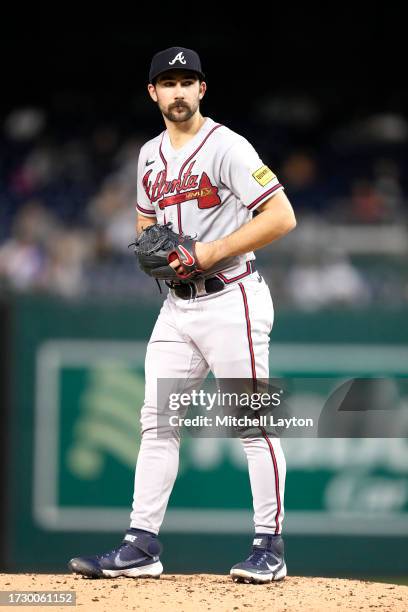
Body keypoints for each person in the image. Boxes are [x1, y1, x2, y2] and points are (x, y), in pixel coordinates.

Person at [69, 46, 297, 584]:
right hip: (178, 305)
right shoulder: (148, 154)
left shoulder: (228, 147)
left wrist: (208, 251)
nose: (177, 91)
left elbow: (282, 216)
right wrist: (154, 249)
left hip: (231, 297)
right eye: (167, 82)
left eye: (186, 81)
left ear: (202, 90)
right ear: (153, 93)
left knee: (252, 424)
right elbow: (146, 221)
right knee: (156, 423)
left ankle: (270, 546)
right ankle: (140, 545)